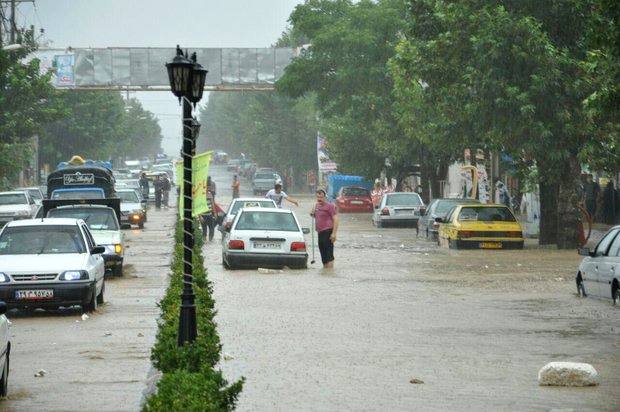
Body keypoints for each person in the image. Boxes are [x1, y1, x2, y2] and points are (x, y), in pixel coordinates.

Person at [311, 188, 339, 268]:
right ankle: (326, 272)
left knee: (329, 254)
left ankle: (330, 271)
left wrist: (334, 234)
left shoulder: (330, 206)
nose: (319, 199)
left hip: (328, 232)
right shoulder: (316, 206)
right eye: (318, 197)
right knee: (323, 255)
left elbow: (336, 219)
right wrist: (312, 212)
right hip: (320, 233)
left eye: (321, 197)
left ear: (325, 197)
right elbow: (313, 215)